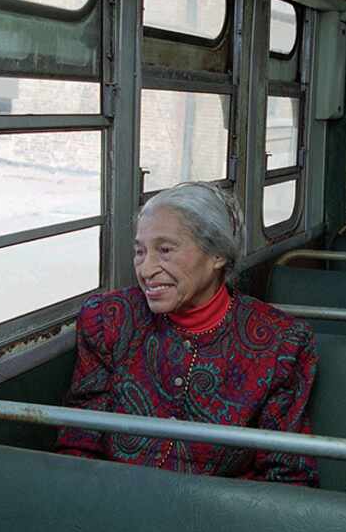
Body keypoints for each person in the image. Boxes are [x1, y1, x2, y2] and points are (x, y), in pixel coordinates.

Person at [55, 181, 319, 487]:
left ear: (217, 254)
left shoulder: (280, 342)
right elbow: (79, 438)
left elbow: (286, 471)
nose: (146, 269)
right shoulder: (109, 319)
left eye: (165, 250)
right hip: (114, 498)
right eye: (140, 252)